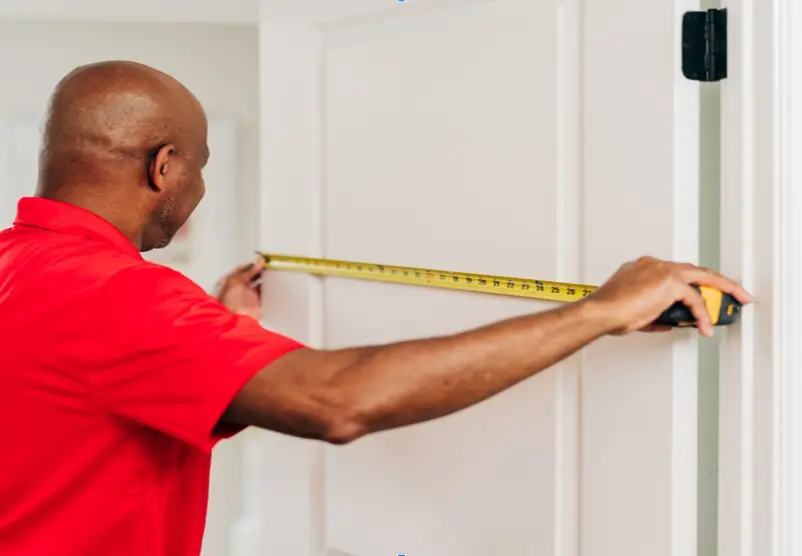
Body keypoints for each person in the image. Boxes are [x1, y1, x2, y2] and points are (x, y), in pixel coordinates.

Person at [0, 60, 751, 556]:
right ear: (164, 167)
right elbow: (338, 402)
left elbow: (82, 409)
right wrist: (599, 311)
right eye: (200, 168)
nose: (198, 189)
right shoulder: (117, 294)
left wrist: (228, 334)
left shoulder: (20, 266)